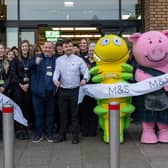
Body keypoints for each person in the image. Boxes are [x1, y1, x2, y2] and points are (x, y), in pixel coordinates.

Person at [53, 39, 90, 144]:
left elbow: (86, 71)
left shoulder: (79, 60)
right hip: (62, 90)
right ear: (63, 48)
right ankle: (62, 135)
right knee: (63, 114)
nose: (68, 48)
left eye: (70, 46)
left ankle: (75, 136)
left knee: (74, 114)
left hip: (75, 90)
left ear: (72, 48)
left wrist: (85, 79)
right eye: (66, 46)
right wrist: (55, 80)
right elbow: (56, 72)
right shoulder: (59, 60)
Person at [29, 41, 56, 143]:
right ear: (42, 48)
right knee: (38, 114)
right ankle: (38, 135)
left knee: (50, 114)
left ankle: (49, 134)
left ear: (52, 49)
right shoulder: (37, 57)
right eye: (45, 47)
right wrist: (35, 63)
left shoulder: (55, 60)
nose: (47, 50)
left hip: (50, 93)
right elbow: (28, 67)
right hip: (38, 93)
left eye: (49, 48)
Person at [10, 40, 32, 140]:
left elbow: (33, 73)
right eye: (23, 46)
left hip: (28, 87)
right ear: (20, 48)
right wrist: (21, 85)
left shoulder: (31, 59)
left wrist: (28, 84)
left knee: (26, 108)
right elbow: (13, 74)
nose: (25, 48)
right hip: (18, 88)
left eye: (26, 46)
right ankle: (19, 130)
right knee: (18, 108)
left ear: (28, 48)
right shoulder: (15, 60)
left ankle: (26, 128)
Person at [79, 43, 98, 137]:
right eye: (90, 50)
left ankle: (92, 130)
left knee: (93, 110)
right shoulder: (82, 60)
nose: (91, 52)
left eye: (93, 51)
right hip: (84, 89)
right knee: (84, 110)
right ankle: (84, 130)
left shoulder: (99, 62)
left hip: (95, 89)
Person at [0, 43, 11, 140]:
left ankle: (3, 134)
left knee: (3, 114)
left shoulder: (7, 62)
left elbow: (9, 77)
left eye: (2, 48)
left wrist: (4, 87)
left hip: (4, 91)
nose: (0, 50)